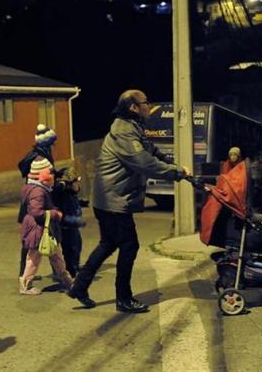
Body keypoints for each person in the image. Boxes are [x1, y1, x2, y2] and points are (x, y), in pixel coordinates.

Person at [67, 90, 189, 313]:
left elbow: (148, 149)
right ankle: (123, 298)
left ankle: (79, 286)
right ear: (133, 107)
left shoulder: (132, 127)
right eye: (145, 102)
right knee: (129, 245)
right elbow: (143, 162)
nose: (148, 106)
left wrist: (166, 160)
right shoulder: (124, 131)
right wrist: (177, 172)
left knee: (108, 244)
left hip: (107, 199)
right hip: (113, 201)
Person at [19, 157, 73, 295]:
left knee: (56, 255)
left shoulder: (38, 189)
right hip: (38, 230)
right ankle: (26, 284)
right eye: (51, 173)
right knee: (34, 258)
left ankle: (67, 280)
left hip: (43, 229)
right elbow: (37, 212)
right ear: (44, 176)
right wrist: (55, 213)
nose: (54, 177)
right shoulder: (38, 191)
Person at [17, 124, 58, 280]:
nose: (54, 145)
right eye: (52, 142)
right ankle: (25, 274)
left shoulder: (40, 153)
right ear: (46, 142)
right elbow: (40, 174)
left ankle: (54, 270)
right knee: (34, 238)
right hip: (36, 199)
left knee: (41, 235)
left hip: (34, 198)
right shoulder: (38, 156)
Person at [53, 167, 86, 278]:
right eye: (76, 181)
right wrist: (75, 221)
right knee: (70, 248)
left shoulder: (71, 194)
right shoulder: (63, 195)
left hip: (72, 224)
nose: (78, 184)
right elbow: (64, 214)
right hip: (67, 226)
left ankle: (75, 265)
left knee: (77, 245)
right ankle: (70, 270)